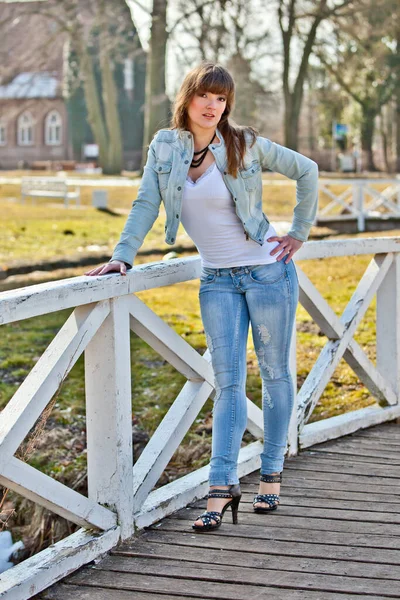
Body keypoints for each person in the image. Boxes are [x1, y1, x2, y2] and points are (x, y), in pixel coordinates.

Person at [85, 61, 319, 532]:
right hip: (217, 280)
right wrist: (122, 257)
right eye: (205, 96)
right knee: (227, 382)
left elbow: (307, 171)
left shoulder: (244, 144)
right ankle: (221, 485)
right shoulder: (165, 147)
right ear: (187, 99)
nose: (213, 106)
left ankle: (271, 475)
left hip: (268, 273)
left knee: (273, 373)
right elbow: (146, 202)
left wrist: (297, 234)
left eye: (222, 98)